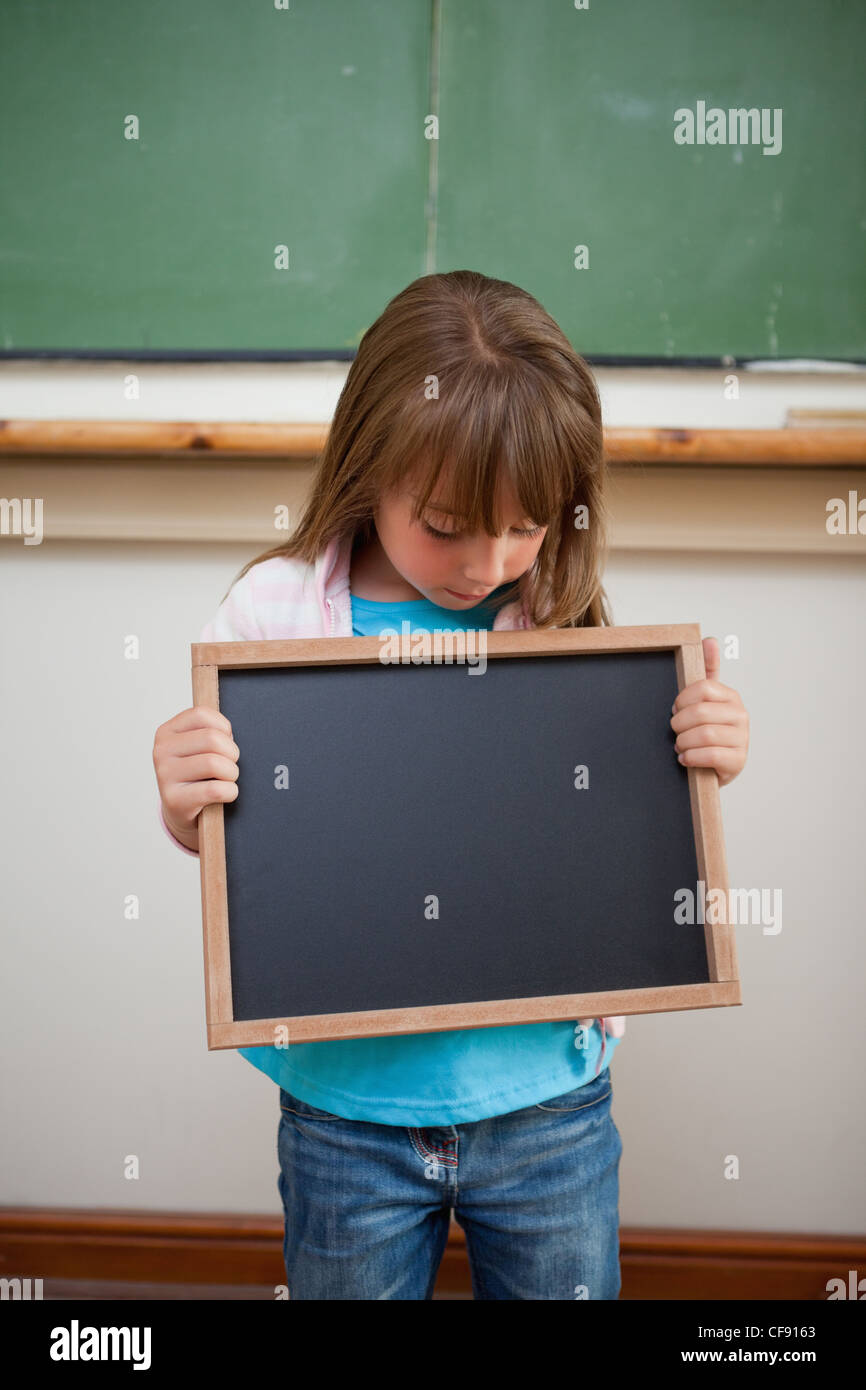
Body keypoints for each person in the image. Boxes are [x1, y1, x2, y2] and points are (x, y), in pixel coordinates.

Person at [153, 270, 750, 1299]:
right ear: (368, 465)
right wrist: (181, 797)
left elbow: (614, 822)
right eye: (444, 522)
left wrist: (703, 751)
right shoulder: (273, 613)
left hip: (548, 1107)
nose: (486, 563)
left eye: (525, 527)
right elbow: (238, 842)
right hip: (348, 1117)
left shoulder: (561, 613)